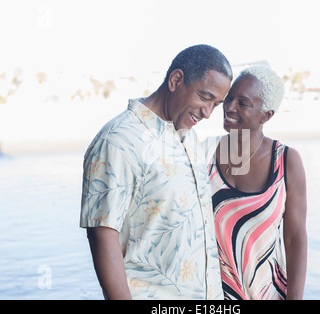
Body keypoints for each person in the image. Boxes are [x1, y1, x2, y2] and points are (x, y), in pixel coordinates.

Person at [80, 44, 232, 299]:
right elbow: (103, 239)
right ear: (176, 80)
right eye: (204, 97)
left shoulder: (190, 138)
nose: (208, 113)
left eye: (216, 104)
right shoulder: (117, 141)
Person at [208, 66, 307, 300]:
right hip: (210, 296)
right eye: (229, 98)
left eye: (243, 103)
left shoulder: (286, 160)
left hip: (267, 294)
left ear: (266, 115)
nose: (230, 107)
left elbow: (295, 239)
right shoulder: (206, 153)